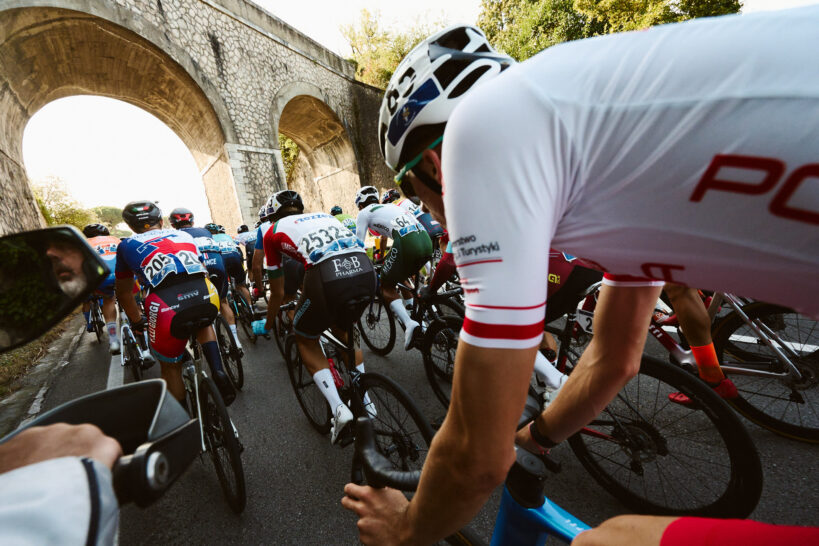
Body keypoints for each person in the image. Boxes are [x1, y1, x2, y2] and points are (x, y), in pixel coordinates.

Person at [342, 10, 819, 545]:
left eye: (411, 191)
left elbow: (476, 456)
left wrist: (406, 529)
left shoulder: (482, 131)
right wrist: (536, 436)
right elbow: (614, 356)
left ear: (433, 162)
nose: (427, 212)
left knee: (608, 541)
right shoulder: (597, 141)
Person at [259, 190, 376, 443]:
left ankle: (338, 409)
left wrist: (268, 324)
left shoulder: (271, 232)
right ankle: (366, 400)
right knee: (345, 332)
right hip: (364, 269)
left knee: (305, 338)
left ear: (271, 216)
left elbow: (278, 293)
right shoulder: (324, 216)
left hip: (326, 277)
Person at [116, 201, 235, 405]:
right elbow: (201, 267)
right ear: (161, 221)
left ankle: (185, 420)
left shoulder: (126, 245)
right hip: (205, 291)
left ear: (130, 227)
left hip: (165, 304)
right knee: (204, 323)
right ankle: (218, 370)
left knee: (170, 367)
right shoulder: (184, 235)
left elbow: (124, 292)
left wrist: (136, 321)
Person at [354, 186, 433, 350]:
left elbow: (359, 246)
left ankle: (410, 324)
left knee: (385, 285)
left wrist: (361, 266)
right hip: (425, 240)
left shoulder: (364, 213)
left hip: (406, 242)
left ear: (360, 204)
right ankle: (415, 310)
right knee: (399, 274)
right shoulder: (391, 206)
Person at [206, 222, 251, 350]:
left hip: (220, 262)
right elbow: (237, 250)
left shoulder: (209, 240)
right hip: (236, 257)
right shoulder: (227, 236)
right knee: (241, 285)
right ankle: (250, 309)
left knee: (223, 299)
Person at [81, 224, 122, 354]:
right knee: (131, 297)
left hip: (98, 279)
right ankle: (140, 331)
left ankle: (113, 339)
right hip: (122, 275)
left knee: (99, 299)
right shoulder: (115, 239)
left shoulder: (83, 243)